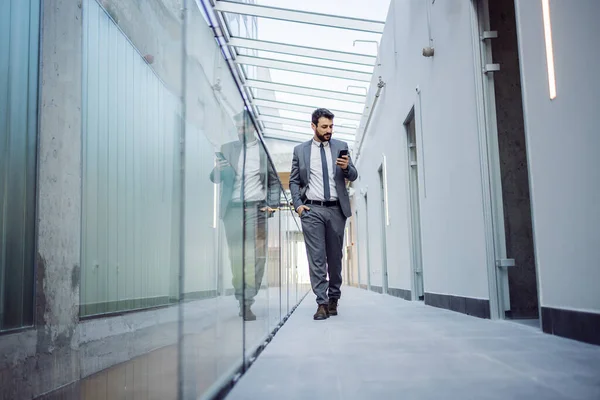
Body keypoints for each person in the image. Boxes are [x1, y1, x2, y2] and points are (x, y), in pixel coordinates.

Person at [289, 108, 359, 320]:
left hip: (336, 209)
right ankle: (321, 302)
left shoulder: (341, 146)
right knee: (317, 258)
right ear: (313, 126)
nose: (329, 130)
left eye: (331, 126)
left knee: (335, 258)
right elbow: (294, 180)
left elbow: (354, 175)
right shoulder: (300, 150)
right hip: (312, 210)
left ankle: (334, 298)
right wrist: (299, 205)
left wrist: (347, 168)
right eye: (324, 127)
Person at [210, 110, 280, 321]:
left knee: (257, 258)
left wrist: (272, 204)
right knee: (236, 258)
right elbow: (215, 178)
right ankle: (243, 300)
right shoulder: (227, 149)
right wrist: (218, 170)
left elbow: (274, 180)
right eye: (237, 128)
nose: (239, 131)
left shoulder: (263, 151)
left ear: (252, 128)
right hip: (232, 210)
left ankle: (248, 299)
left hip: (256, 210)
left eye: (243, 127)